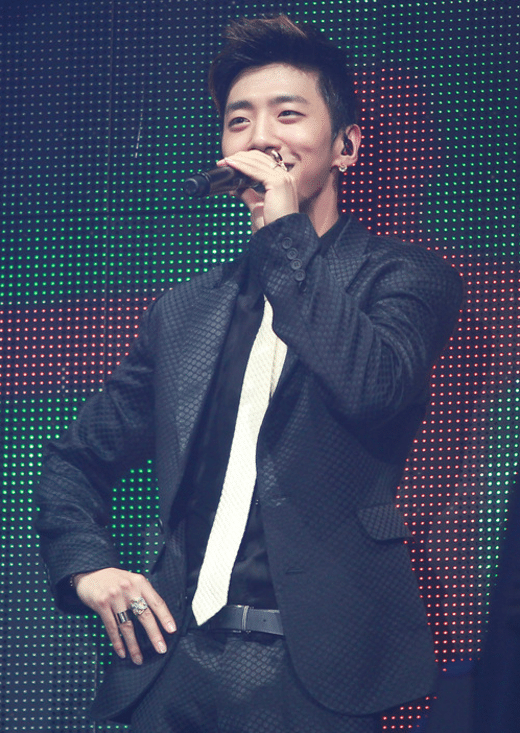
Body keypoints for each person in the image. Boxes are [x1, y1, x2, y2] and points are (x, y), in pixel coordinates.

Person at [35, 14, 463, 733]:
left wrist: (286, 232)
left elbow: (373, 387)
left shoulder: (404, 276)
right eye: (240, 121)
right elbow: (76, 462)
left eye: (287, 115)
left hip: (314, 673)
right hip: (175, 662)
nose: (260, 137)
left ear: (346, 146)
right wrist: (88, 568)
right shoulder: (184, 312)